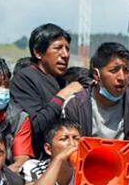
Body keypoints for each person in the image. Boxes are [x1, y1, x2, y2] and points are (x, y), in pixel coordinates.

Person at [10, 23, 85, 157]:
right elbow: (36, 125)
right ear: (38, 52)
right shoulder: (25, 78)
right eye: (58, 48)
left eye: (67, 49)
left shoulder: (64, 79)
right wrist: (63, 95)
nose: (65, 55)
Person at [59, 42, 129, 139]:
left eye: (126, 71)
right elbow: (69, 146)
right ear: (96, 75)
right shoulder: (75, 105)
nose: (121, 77)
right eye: (114, 70)